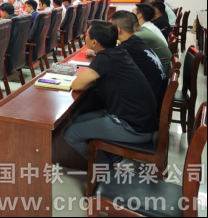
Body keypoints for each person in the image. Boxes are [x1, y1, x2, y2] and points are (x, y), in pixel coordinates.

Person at [64, 21, 158, 164]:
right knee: (78, 120)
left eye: (86, 34)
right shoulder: (119, 52)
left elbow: (77, 85)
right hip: (139, 119)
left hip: (134, 128)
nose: (84, 36)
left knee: (70, 134)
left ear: (94, 42)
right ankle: (111, 156)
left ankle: (104, 169)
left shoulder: (104, 58)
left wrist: (90, 80)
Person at [111, 11, 168, 117]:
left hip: (145, 108)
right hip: (156, 96)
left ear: (118, 30)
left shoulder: (127, 48)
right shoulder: (137, 41)